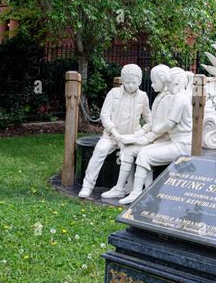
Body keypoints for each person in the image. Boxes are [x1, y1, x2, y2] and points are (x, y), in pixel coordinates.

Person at [119, 67, 193, 205]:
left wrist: (156, 128)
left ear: (176, 83)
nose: (167, 87)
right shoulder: (177, 98)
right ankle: (144, 191)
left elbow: (169, 123)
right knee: (144, 152)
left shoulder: (180, 99)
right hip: (176, 142)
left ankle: (138, 192)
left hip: (182, 145)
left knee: (145, 155)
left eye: (169, 84)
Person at [100, 64, 172, 200]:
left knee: (137, 150)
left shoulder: (168, 99)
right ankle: (121, 188)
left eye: (154, 81)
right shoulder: (160, 98)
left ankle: (138, 190)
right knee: (127, 149)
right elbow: (153, 123)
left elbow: (163, 127)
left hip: (163, 141)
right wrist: (140, 135)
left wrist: (141, 136)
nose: (151, 85)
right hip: (154, 138)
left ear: (163, 80)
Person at [78, 64, 150, 198]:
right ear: (122, 80)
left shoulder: (143, 96)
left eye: (134, 82)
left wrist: (139, 134)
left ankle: (128, 186)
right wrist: (115, 133)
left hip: (131, 137)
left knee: (132, 154)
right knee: (99, 150)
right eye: (127, 82)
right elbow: (104, 116)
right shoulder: (113, 93)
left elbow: (149, 120)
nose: (130, 85)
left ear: (139, 81)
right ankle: (87, 186)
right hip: (111, 136)